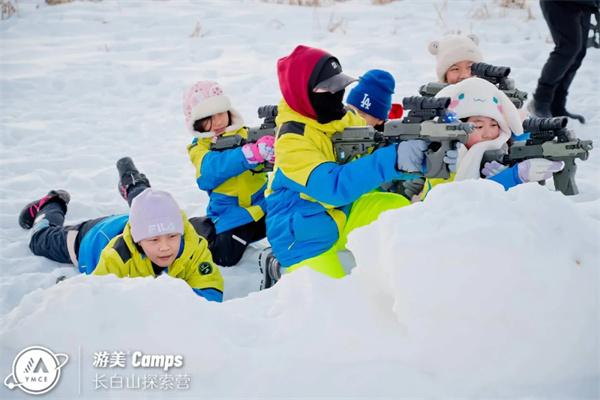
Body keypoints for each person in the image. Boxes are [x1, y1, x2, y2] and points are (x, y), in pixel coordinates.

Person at [265, 44, 457, 280]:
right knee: (329, 302)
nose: (337, 93)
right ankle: (276, 266)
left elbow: (373, 152)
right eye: (328, 87)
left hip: (341, 213)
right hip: (302, 234)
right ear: (302, 91)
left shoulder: (342, 118)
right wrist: (394, 158)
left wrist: (422, 159)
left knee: (398, 210)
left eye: (339, 85)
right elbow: (332, 188)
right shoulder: (291, 140)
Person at [18, 181, 224, 302]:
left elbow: (210, 290)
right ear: (139, 240)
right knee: (39, 240)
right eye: (153, 240)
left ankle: (133, 180)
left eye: (172, 236)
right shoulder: (117, 256)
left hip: (139, 221)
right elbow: (96, 297)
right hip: (91, 237)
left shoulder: (193, 247)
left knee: (147, 200)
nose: (165, 247)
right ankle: (52, 204)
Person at [411, 77, 564, 200]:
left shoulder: (502, 150)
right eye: (478, 127)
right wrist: (514, 176)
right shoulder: (444, 158)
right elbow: (462, 200)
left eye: (494, 124)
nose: (488, 133)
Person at [183, 80, 277, 270]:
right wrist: (250, 154)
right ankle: (199, 227)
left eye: (221, 113)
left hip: (264, 205)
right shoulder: (199, 147)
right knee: (224, 257)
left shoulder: (248, 134)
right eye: (209, 117)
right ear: (196, 122)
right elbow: (209, 173)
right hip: (233, 214)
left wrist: (274, 153)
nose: (218, 121)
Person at [528, 0, 600, 124]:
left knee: (578, 54)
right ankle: (540, 101)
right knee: (568, 48)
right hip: (559, 3)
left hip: (585, 4)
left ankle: (556, 106)